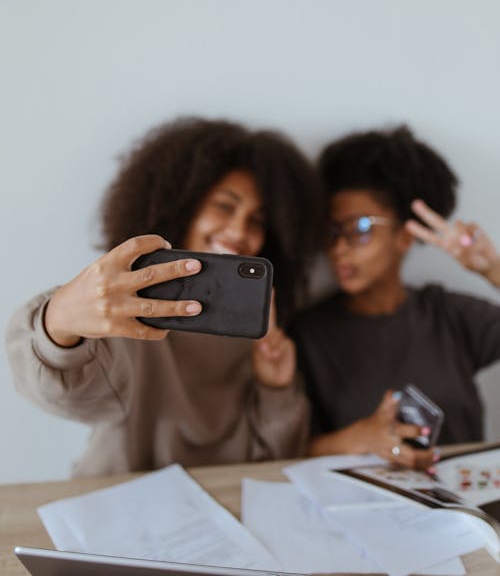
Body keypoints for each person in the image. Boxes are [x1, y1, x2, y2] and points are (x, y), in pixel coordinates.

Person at [6, 117, 323, 476]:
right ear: (184, 204)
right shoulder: (128, 307)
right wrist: (59, 321)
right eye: (224, 206)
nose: (239, 231)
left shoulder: (260, 327)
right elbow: (63, 394)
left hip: (223, 507)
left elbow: (275, 458)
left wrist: (276, 388)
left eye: (257, 220)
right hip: (118, 504)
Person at [290, 125, 500, 470]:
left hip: (468, 511)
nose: (339, 249)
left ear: (405, 235)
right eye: (330, 232)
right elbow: (284, 446)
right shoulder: (308, 334)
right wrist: (357, 438)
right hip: (360, 513)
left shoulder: (449, 315)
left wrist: (491, 269)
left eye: (359, 229)